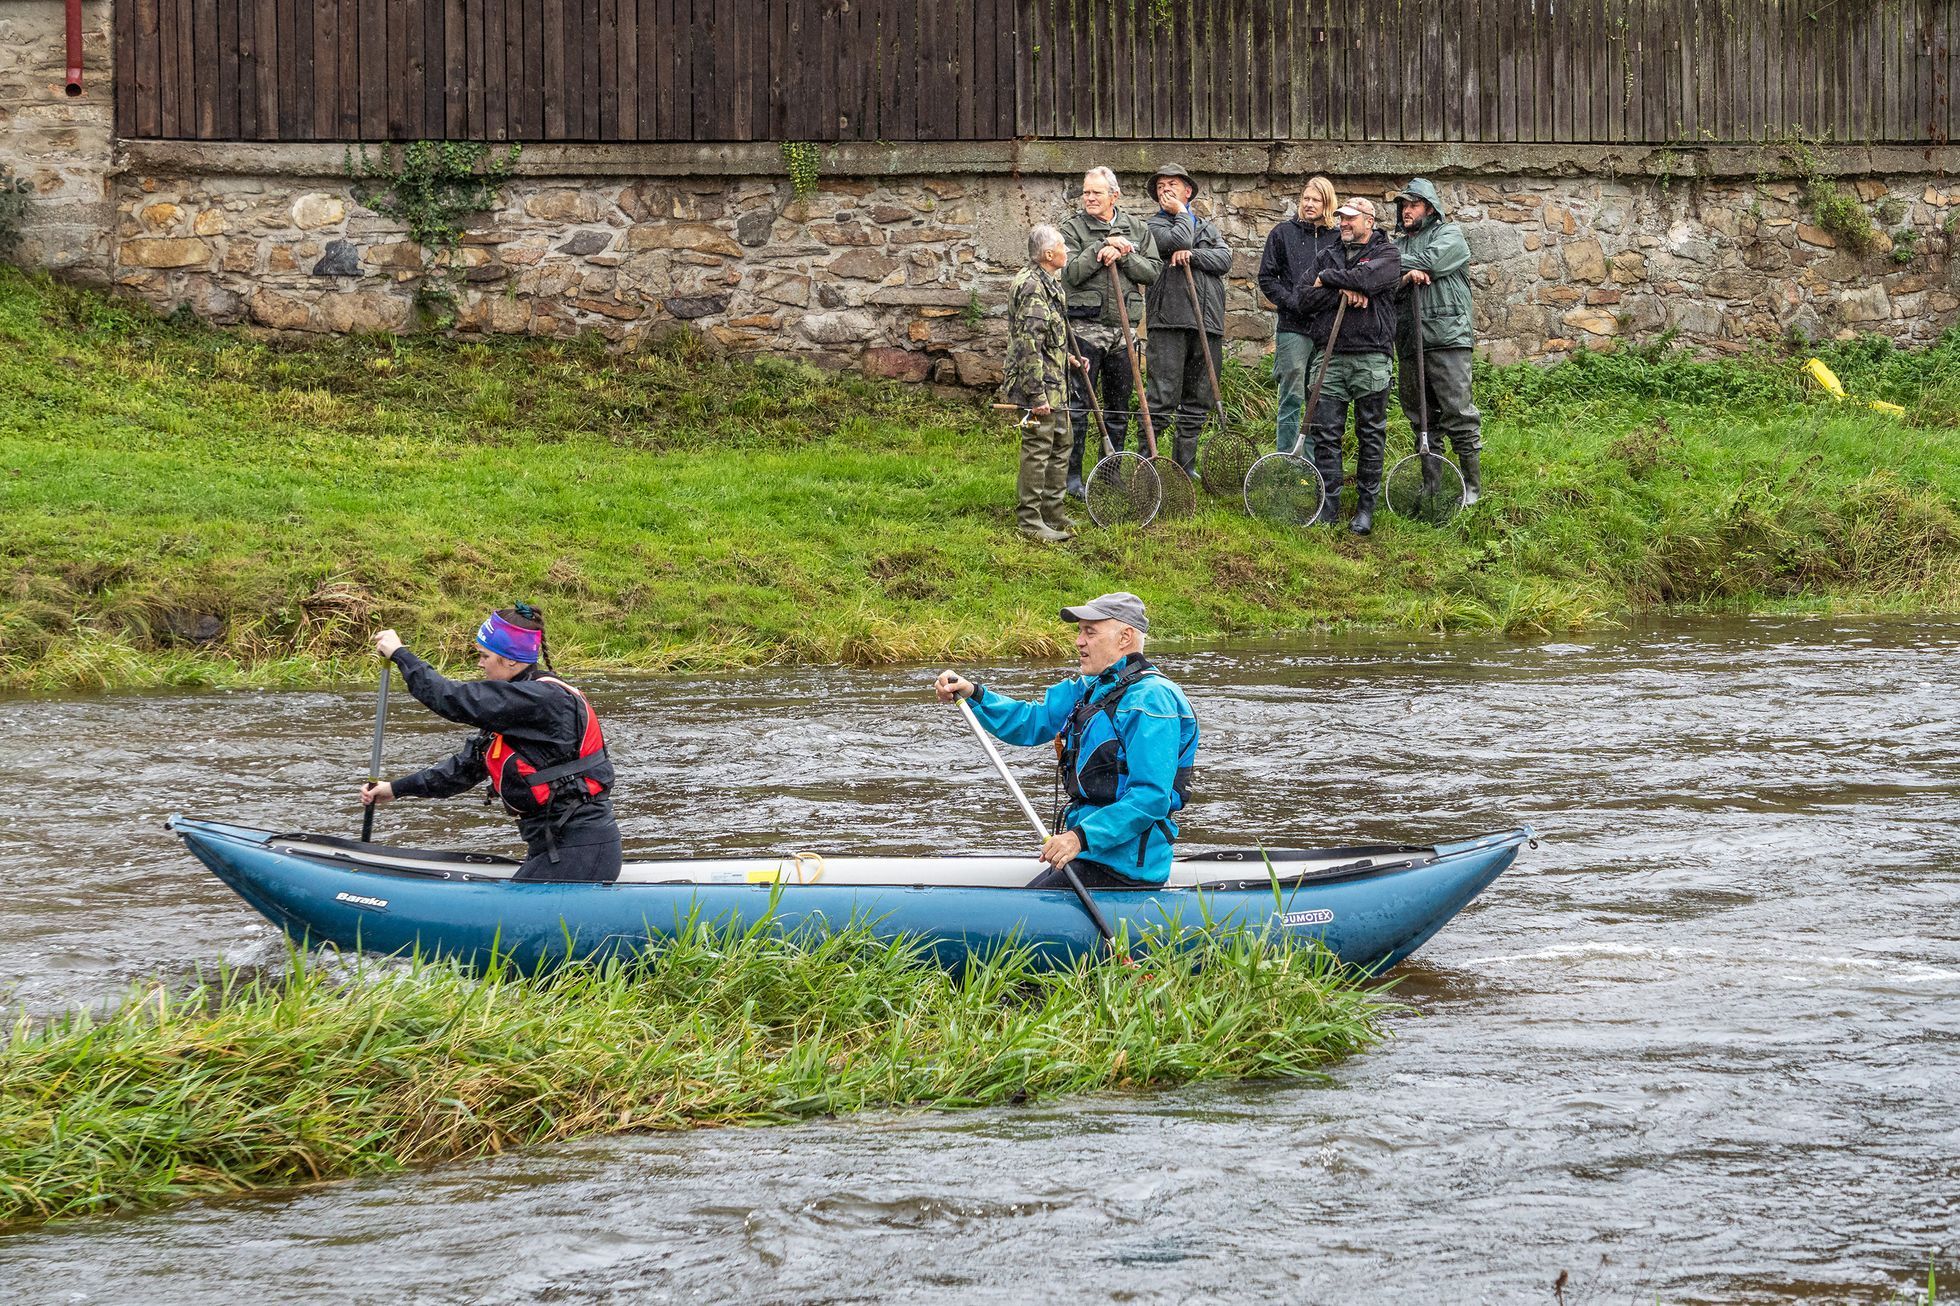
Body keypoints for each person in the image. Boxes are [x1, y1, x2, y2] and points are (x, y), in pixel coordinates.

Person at [933, 592, 1197, 889]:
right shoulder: (1092, 688)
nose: (1079, 641)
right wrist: (975, 695)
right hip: (1091, 856)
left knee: (1022, 923)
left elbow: (1151, 797)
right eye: (1080, 631)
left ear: (1125, 637)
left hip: (1124, 869)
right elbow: (1032, 721)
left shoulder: (1151, 701)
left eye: (1090, 631)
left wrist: (1078, 838)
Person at [361, 604, 623, 883]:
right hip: (552, 848)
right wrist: (395, 789)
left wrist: (401, 656)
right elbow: (464, 770)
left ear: (511, 660)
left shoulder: (542, 700)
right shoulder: (517, 706)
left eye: (485, 656)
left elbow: (450, 698)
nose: (480, 663)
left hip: (581, 850)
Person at [1299, 196, 1402, 535]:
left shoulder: (1388, 254)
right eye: (1341, 218)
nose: (1343, 223)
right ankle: (1328, 506)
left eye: (1351, 219)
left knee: (1370, 433)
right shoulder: (1326, 254)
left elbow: (1372, 280)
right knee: (1327, 434)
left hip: (1371, 355)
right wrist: (1344, 288)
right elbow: (1304, 298)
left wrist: (1328, 279)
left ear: (1369, 221)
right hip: (1330, 356)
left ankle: (1365, 509)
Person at [1058, 167, 1162, 498]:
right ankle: (1072, 477)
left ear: (1113, 196)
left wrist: (1125, 253)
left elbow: (1154, 272)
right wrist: (1100, 248)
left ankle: (1109, 473)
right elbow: (1071, 273)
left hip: (1125, 335)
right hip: (1085, 332)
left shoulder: (1137, 229)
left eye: (1095, 193)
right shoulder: (1071, 229)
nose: (1088, 197)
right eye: (1086, 192)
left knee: (1118, 408)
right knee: (1079, 407)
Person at [1393, 177, 1485, 504]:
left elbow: (1431, 262)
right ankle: (1432, 486)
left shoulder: (1450, 235)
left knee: (1458, 413)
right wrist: (1399, 273)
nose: (1406, 210)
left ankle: (1471, 488)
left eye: (1413, 204)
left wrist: (1392, 266)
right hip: (1408, 340)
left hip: (1447, 338)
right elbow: (1380, 277)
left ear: (1430, 208)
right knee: (1421, 418)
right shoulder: (1397, 245)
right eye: (1403, 205)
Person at [1143, 162, 1234, 475]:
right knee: (1162, 396)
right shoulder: (1152, 227)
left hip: (1207, 323)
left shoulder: (1208, 228)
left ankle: (1185, 465)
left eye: (1172, 184)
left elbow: (1224, 259)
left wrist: (1194, 256)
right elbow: (1176, 242)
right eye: (1160, 186)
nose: (1165, 189)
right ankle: (1150, 462)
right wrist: (1182, 214)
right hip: (1169, 321)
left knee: (1199, 398)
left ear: (1188, 190)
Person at [1002, 224, 1079, 543]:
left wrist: (1070, 358)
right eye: (1063, 246)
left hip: (1055, 379)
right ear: (1049, 254)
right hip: (1038, 385)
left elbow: (1049, 335)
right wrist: (1035, 395)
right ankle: (1030, 520)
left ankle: (1052, 511)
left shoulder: (1049, 282)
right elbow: (1027, 343)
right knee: (1038, 448)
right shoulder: (1033, 286)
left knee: (1061, 443)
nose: (1067, 251)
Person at [1256, 175, 1344, 454]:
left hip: (1327, 327)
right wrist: (1293, 301)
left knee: (1319, 394)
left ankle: (1315, 461)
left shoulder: (1338, 238)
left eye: (1315, 200)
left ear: (1327, 203)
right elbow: (1267, 278)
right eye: (1306, 198)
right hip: (1293, 327)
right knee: (1292, 393)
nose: (1309, 204)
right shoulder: (1282, 233)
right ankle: (1287, 458)